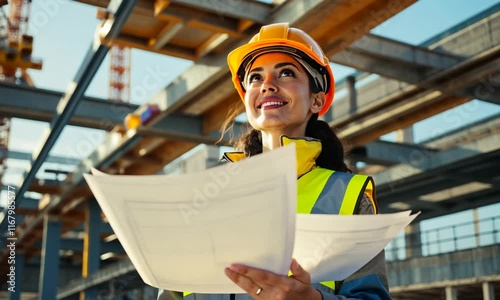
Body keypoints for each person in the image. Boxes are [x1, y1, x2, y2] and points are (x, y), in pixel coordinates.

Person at [158, 23, 391, 300]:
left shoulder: (349, 196)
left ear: (316, 101)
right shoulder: (209, 193)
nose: (267, 85)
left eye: (286, 73)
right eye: (255, 78)